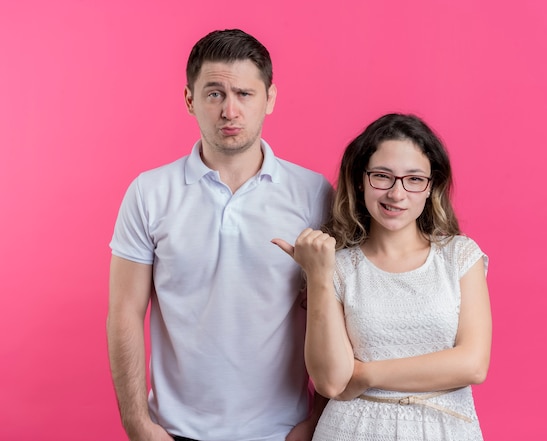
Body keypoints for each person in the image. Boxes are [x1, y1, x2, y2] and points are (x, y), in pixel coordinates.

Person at [107, 29, 332, 441]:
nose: (230, 110)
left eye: (245, 94)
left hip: (283, 432)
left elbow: (343, 315)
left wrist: (316, 422)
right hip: (174, 431)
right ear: (190, 99)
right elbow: (124, 313)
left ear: (270, 99)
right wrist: (138, 424)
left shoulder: (315, 194)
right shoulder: (149, 192)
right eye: (214, 94)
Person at [273, 113, 492, 440]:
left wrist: (364, 374)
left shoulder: (459, 256)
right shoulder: (340, 267)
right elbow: (332, 381)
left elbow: (473, 364)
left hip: (445, 428)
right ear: (360, 180)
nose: (397, 194)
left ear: (431, 186)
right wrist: (318, 277)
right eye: (382, 176)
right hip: (350, 430)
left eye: (414, 179)